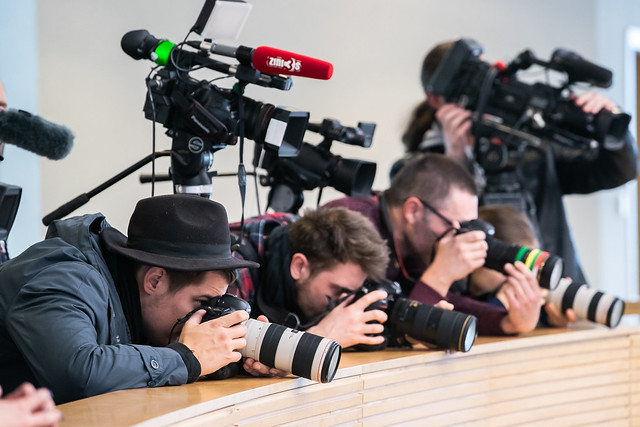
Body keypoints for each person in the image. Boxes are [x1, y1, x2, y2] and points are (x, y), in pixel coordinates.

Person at [398, 39, 638, 285]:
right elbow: (429, 249)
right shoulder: (418, 168)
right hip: (483, 309)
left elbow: (619, 171)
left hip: (556, 290)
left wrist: (611, 128)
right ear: (435, 99)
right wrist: (457, 162)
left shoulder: (532, 146)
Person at [0, 194, 273, 404]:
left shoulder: (138, 302)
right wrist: (188, 358)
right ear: (155, 280)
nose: (206, 318)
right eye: (202, 303)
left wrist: (240, 359)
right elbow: (76, 373)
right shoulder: (64, 280)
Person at [325, 153, 543, 336]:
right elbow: (400, 331)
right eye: (456, 227)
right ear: (413, 211)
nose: (462, 238)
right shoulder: (350, 224)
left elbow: (448, 304)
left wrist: (506, 321)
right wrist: (441, 275)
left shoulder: (415, 244)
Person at [228, 207, 395, 349]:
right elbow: (224, 351)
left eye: (352, 293)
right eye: (338, 291)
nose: (343, 305)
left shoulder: (300, 238)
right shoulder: (235, 267)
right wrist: (321, 337)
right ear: (300, 267)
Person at [470, 204, 576, 327]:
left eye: (526, 268)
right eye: (508, 266)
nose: (515, 278)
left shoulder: (490, 290)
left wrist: (549, 317)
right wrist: (500, 304)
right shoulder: (453, 292)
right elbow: (467, 325)